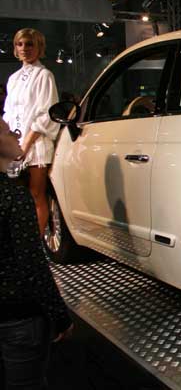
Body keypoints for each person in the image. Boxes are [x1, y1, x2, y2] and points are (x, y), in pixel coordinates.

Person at [0, 119, 74, 389]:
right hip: (18, 317)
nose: (17, 135)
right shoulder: (14, 196)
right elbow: (32, 266)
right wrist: (60, 316)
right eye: (9, 131)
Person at [2, 28, 59, 235]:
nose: (24, 48)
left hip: (36, 144)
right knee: (18, 198)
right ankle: (21, 241)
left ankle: (36, 244)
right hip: (15, 145)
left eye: (29, 44)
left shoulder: (45, 75)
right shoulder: (13, 78)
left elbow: (46, 113)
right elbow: (9, 113)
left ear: (39, 47)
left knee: (36, 195)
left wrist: (25, 144)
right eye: (20, 44)